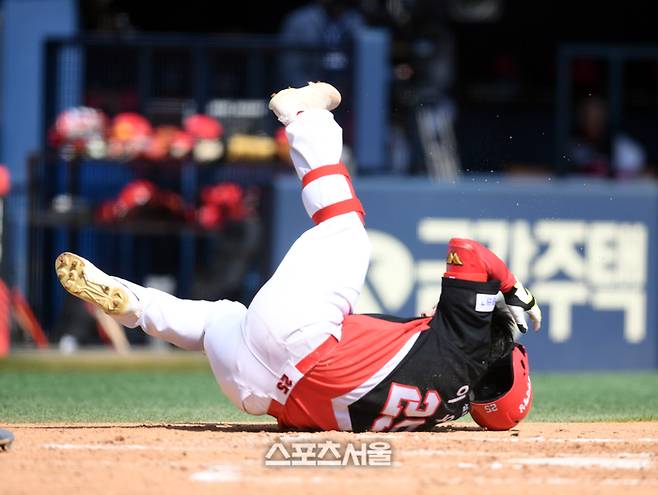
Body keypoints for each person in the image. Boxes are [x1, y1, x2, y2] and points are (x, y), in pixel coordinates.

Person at [55, 82, 541, 432]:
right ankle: (136, 305)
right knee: (215, 322)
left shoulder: (467, 344)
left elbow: (468, 251)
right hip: (260, 392)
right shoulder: (440, 410)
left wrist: (515, 290)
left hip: (302, 341)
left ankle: (304, 116)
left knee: (345, 228)